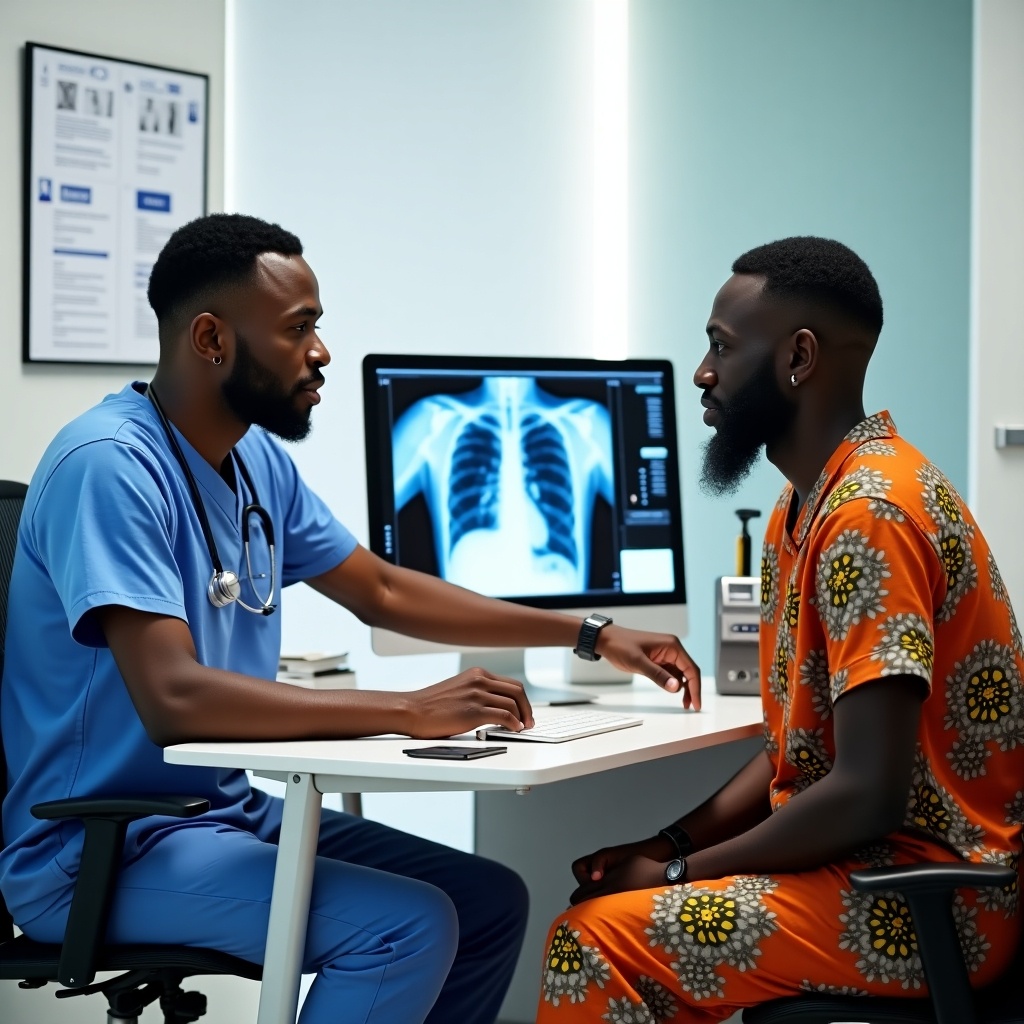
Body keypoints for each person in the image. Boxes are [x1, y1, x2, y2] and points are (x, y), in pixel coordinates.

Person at [0, 213, 700, 1024]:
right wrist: (410, 710)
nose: (322, 352)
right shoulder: (109, 468)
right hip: (99, 852)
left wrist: (592, 633)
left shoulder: (255, 460)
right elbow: (175, 699)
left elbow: (385, 592)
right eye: (299, 329)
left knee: (489, 901)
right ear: (211, 338)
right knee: (404, 928)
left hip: (222, 816)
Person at [535, 236, 1024, 1022]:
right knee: (619, 919)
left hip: (929, 903)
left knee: (594, 940)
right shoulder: (805, 509)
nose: (701, 373)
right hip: (857, 872)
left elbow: (864, 794)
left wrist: (672, 879)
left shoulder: (870, 514)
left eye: (721, 348)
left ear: (798, 358)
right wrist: (667, 848)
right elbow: (795, 753)